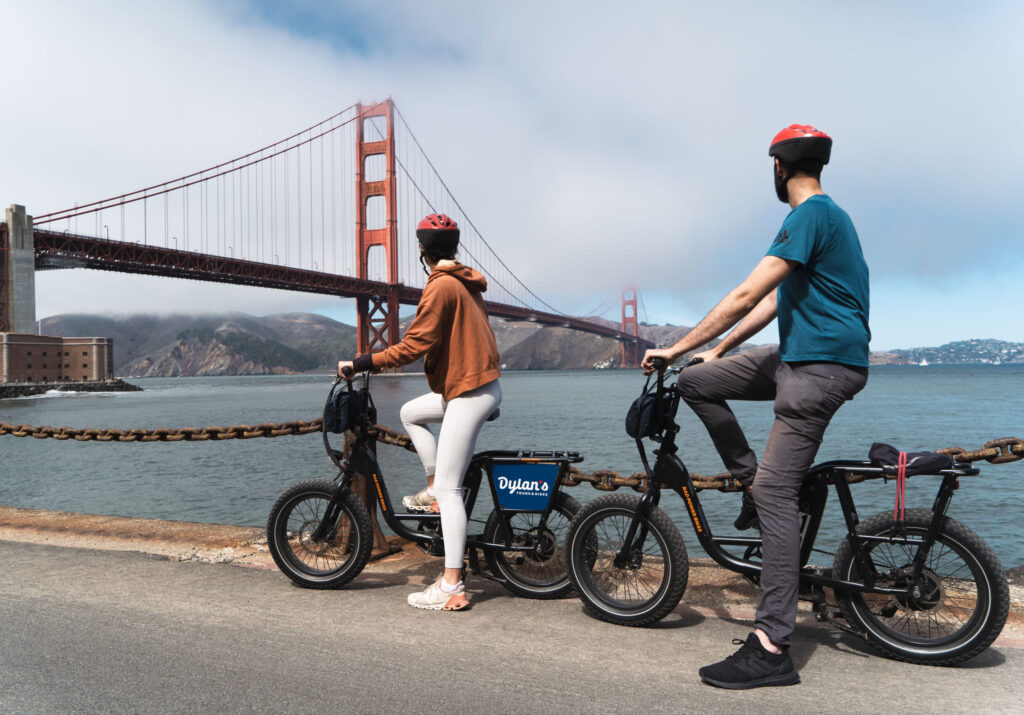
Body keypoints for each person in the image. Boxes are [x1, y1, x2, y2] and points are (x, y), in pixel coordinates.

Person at [642, 124, 870, 689]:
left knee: (776, 491)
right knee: (699, 385)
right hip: (797, 357)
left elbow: (746, 291)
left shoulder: (811, 215)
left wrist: (676, 347)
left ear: (778, 167)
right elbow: (772, 300)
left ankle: (770, 646)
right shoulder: (824, 220)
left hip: (819, 369)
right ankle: (752, 482)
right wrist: (716, 353)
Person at [338, 213, 502, 612]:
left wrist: (361, 363)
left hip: (469, 391)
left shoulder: (441, 286)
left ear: (420, 250)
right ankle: (431, 487)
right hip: (475, 385)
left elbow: (414, 347)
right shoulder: (464, 280)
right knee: (412, 412)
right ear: (453, 248)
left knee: (451, 492)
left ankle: (451, 584)